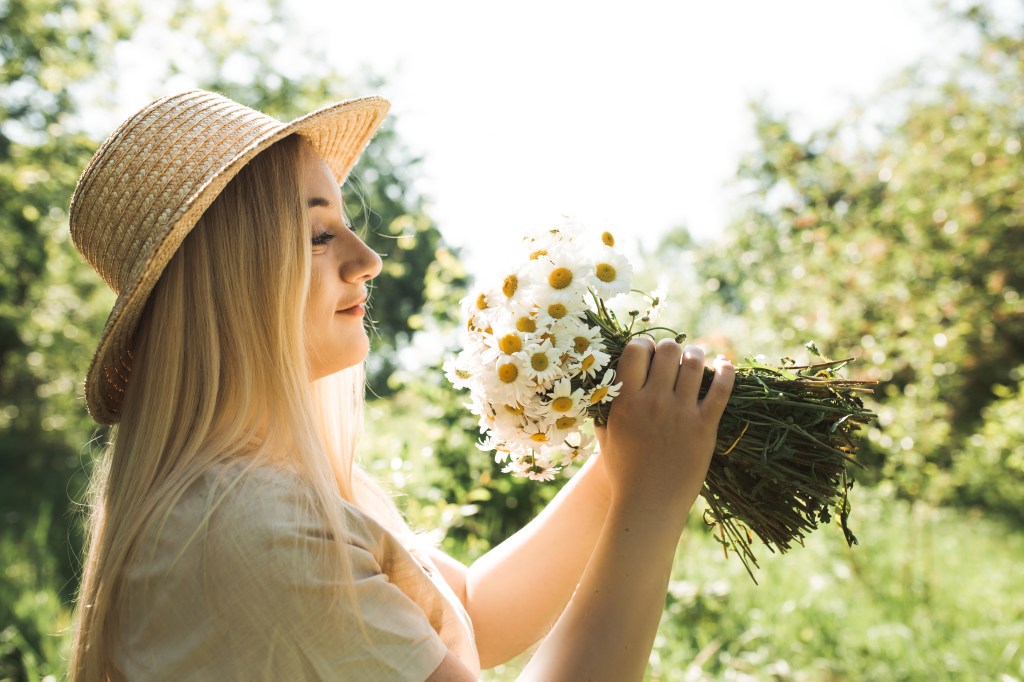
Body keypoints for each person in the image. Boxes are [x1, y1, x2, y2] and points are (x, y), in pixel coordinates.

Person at [67, 90, 735, 681]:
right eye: (320, 235)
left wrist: (621, 464)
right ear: (231, 284)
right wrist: (651, 501)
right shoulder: (248, 528)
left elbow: (472, 611)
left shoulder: (278, 490)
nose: (368, 260)